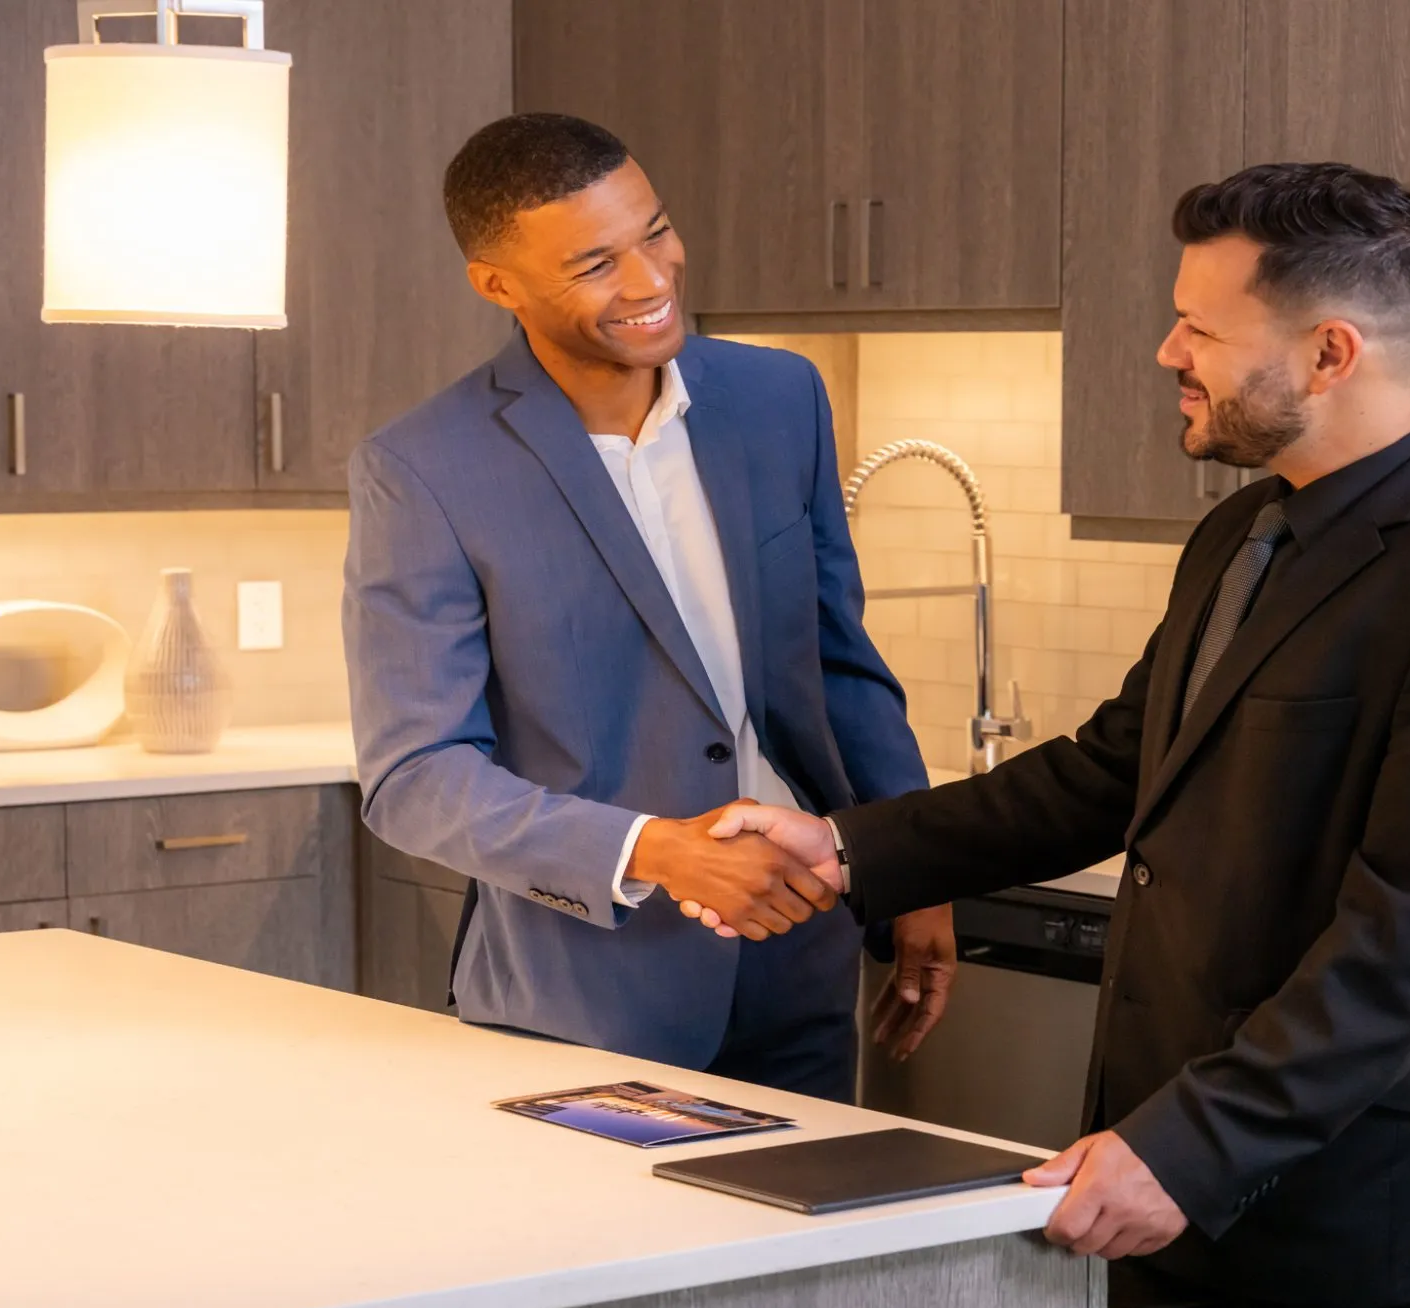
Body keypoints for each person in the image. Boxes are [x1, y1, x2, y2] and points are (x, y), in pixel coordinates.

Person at [700, 162, 1410, 1308]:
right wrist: (844, 847)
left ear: (1328, 354)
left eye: (1199, 328)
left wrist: (1187, 1147)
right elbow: (1111, 770)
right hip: (1176, 1175)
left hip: (1353, 1214)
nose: (1166, 351)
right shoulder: (1245, 530)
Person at [342, 113, 954, 1101]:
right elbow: (415, 776)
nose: (649, 280)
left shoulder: (780, 398)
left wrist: (915, 872)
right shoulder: (423, 468)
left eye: (655, 231)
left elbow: (838, 665)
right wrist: (658, 851)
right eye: (595, 264)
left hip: (802, 963)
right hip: (585, 996)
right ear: (497, 285)